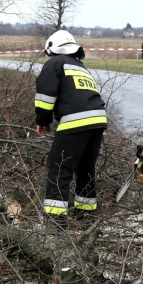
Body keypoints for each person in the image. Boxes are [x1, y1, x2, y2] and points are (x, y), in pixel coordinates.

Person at [34, 30, 108, 224]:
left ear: (51, 50)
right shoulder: (81, 67)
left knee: (58, 169)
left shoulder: (54, 64)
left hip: (76, 121)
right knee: (85, 169)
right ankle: (87, 219)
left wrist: (42, 122)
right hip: (98, 121)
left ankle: (56, 225)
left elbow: (45, 97)